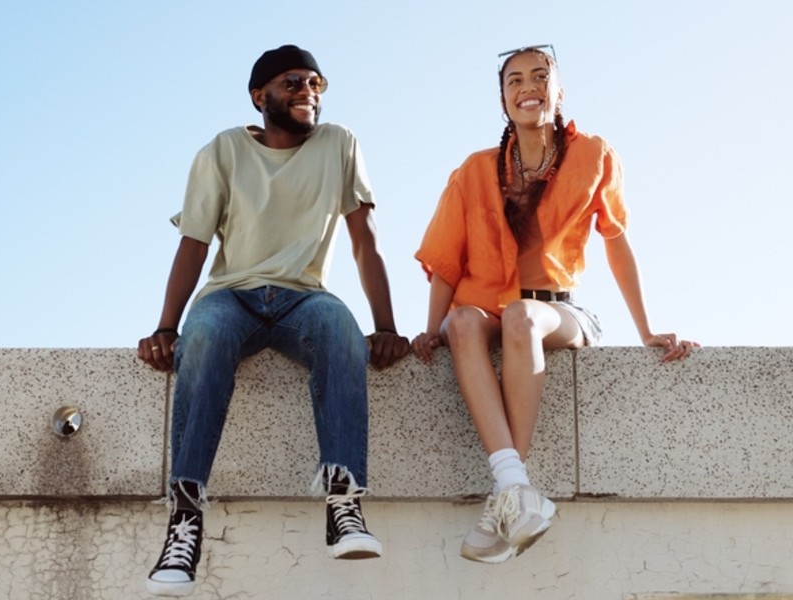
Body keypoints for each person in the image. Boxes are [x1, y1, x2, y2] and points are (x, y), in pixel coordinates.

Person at [137, 44, 410, 596]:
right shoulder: (222, 150)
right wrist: (167, 328)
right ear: (260, 95)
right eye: (292, 83)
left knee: (339, 328)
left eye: (315, 83)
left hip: (302, 298)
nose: (307, 92)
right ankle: (184, 523)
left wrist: (385, 327)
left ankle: (344, 503)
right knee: (205, 333)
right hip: (231, 295)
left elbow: (366, 243)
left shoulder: (340, 143)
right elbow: (192, 244)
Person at [412, 44, 699, 565]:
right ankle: (514, 490)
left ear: (559, 90)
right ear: (502, 100)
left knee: (522, 316)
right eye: (515, 80)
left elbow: (616, 241)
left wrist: (648, 329)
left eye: (540, 76)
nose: (529, 87)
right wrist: (431, 330)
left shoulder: (594, 155)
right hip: (485, 309)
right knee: (462, 323)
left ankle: (508, 490)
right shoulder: (474, 171)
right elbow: (446, 265)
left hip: (557, 311)